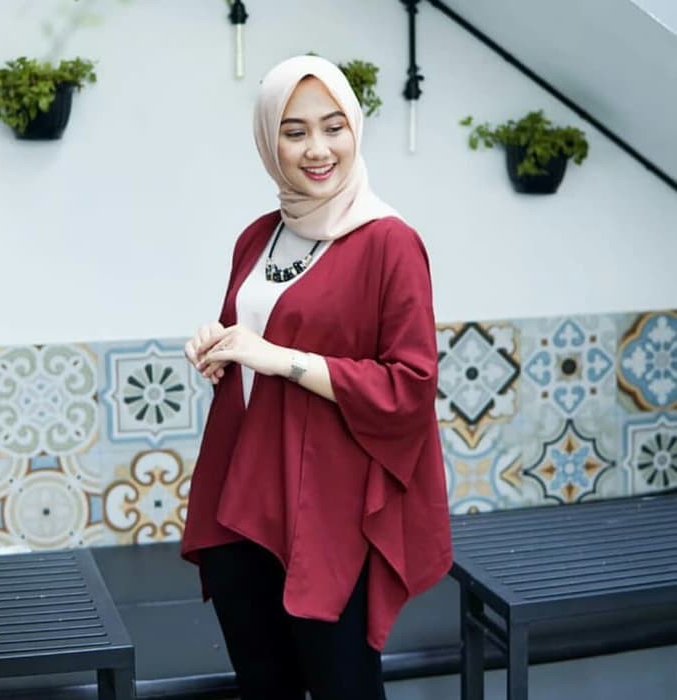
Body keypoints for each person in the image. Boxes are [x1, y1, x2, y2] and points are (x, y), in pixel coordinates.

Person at [182, 54, 452, 700]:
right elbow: (249, 348)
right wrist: (219, 348)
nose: (318, 149)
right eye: (294, 131)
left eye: (334, 127)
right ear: (267, 140)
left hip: (329, 513)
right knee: (263, 688)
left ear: (355, 128)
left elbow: (410, 387)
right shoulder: (257, 238)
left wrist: (280, 357)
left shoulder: (389, 242)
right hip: (239, 499)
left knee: (344, 688)